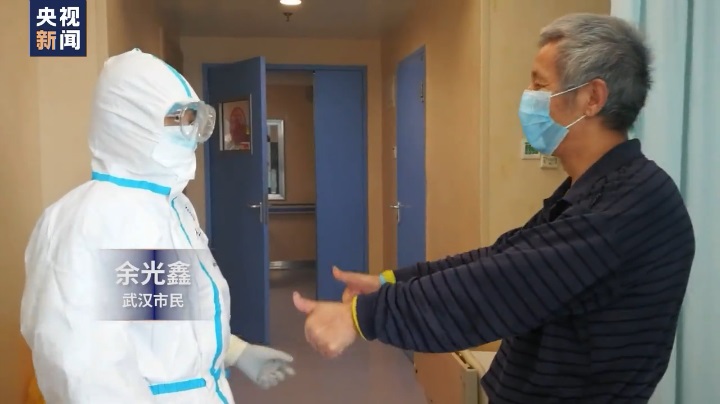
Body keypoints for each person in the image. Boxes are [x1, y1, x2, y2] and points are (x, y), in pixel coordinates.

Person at [293, 13, 696, 403]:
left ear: (592, 98)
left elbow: (498, 288)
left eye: (540, 84)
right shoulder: (591, 190)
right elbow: (501, 257)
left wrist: (361, 316)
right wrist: (391, 282)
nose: (528, 96)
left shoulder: (632, 205)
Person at [20, 49, 294, 403]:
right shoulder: (88, 223)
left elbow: (164, 314)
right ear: (131, 123)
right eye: (181, 122)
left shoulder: (167, 208)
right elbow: (86, 375)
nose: (192, 137)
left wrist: (235, 351)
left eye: (195, 122)